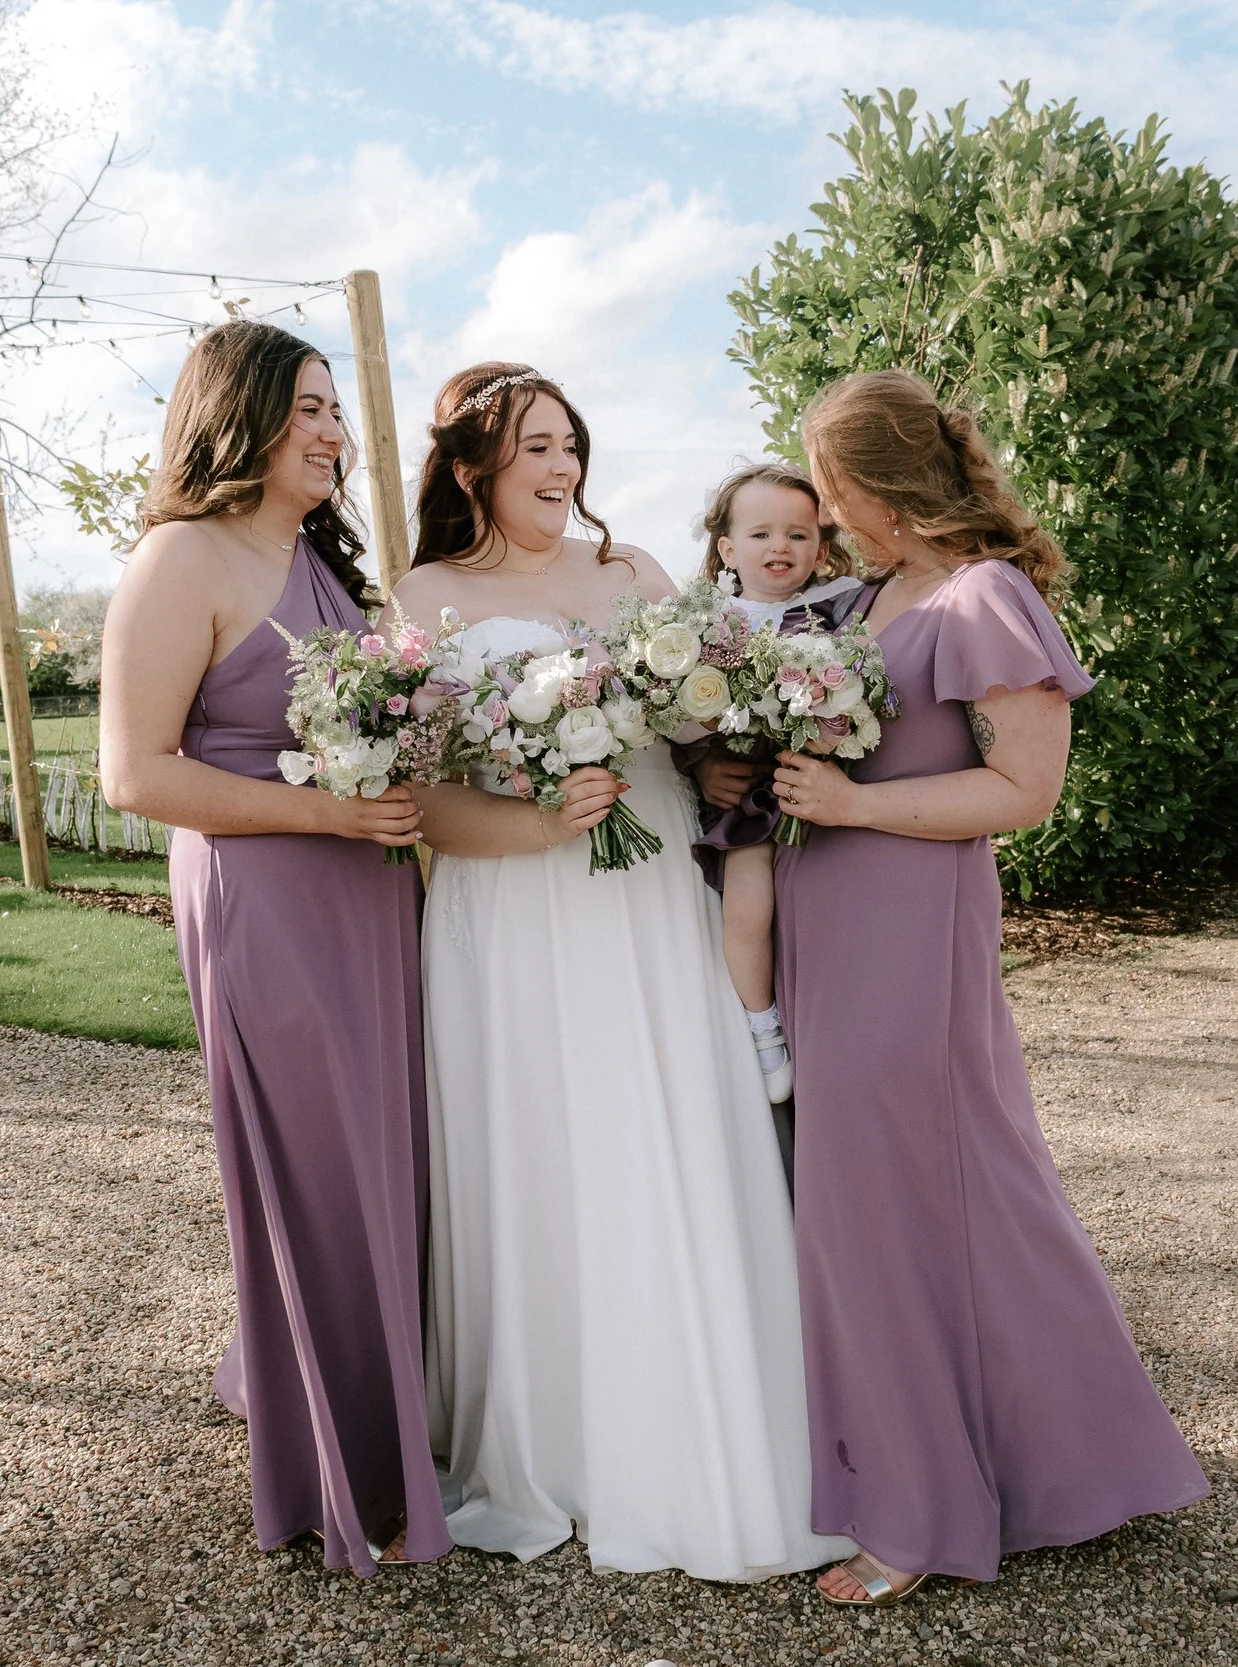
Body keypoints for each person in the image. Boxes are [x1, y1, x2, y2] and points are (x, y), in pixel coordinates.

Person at [718, 369, 1209, 1605]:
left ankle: (922, 1510)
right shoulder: (858, 596)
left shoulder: (984, 596)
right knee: (912, 1199)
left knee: (896, 1201)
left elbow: (1022, 792)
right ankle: (1061, 1456)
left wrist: (853, 802)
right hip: (825, 924)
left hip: (909, 929)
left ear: (876, 484)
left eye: (827, 486)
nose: (817, 513)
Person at [391, 362, 851, 1581]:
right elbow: (423, 800)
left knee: (667, 1127)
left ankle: (706, 1431)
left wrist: (716, 757)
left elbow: (704, 715)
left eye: (570, 445)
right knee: (539, 1141)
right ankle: (553, 1442)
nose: (561, 470)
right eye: (535, 448)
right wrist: (538, 819)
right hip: (510, 906)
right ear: (471, 466)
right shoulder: (422, 591)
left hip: (643, 895)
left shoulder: (632, 572)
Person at [98, 321, 446, 1576]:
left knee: (390, 1154)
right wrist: (329, 811)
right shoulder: (177, 559)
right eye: (305, 408)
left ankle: (389, 1419)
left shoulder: (321, 561)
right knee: (318, 1164)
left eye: (335, 411)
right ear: (235, 415)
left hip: (367, 891)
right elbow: (133, 773)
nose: (330, 433)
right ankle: (344, 1467)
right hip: (266, 892)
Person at [689, 464, 860, 1107]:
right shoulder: (711, 623)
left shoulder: (841, 605)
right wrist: (701, 752)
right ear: (728, 550)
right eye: (761, 534)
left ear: (821, 543)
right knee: (747, 906)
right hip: (752, 791)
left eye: (798, 533)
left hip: (825, 781)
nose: (780, 547)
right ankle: (762, 1024)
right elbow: (678, 717)